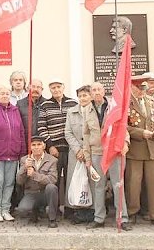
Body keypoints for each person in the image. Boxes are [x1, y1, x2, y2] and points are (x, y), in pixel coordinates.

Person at [83, 88, 131, 231]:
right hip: (97, 152)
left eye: (99, 89)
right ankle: (99, 218)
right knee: (98, 186)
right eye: (94, 90)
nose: (96, 92)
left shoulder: (113, 107)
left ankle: (122, 218)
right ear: (91, 93)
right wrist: (87, 157)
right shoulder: (87, 110)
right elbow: (85, 135)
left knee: (118, 185)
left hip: (114, 151)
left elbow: (123, 127)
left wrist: (126, 143)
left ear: (104, 92)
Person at [126, 76, 154, 227]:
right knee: (133, 183)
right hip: (135, 149)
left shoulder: (152, 101)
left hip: (153, 147)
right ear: (132, 87)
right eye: (139, 88)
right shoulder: (126, 103)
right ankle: (131, 213)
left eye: (144, 88)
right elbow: (123, 127)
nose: (142, 91)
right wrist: (140, 132)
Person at [0, 84, 26, 222]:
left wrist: (22, 153)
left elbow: (21, 132)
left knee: (9, 183)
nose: (5, 96)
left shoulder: (15, 110)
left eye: (7, 94)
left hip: (13, 154)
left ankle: (5, 210)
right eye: (2, 93)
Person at [37, 78, 78, 216]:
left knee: (70, 179)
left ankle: (70, 209)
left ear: (63, 87)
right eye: (53, 87)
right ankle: (54, 210)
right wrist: (50, 145)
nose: (56, 90)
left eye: (58, 87)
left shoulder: (73, 103)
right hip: (54, 150)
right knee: (54, 180)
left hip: (71, 149)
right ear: (50, 90)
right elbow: (41, 127)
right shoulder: (45, 105)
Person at [64, 85, 94, 224]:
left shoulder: (95, 111)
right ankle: (78, 211)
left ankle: (93, 211)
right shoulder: (71, 112)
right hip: (76, 154)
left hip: (93, 152)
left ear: (91, 96)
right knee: (76, 182)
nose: (82, 98)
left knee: (92, 182)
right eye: (80, 96)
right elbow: (68, 132)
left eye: (85, 95)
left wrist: (87, 150)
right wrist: (78, 149)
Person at [16, 135, 58, 228]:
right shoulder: (25, 160)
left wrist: (35, 175)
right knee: (23, 209)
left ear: (44, 146)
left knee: (52, 188)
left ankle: (52, 219)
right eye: (34, 145)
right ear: (30, 147)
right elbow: (19, 181)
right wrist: (24, 168)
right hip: (31, 193)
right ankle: (35, 212)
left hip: (45, 193)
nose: (36, 147)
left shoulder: (52, 160)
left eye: (39, 144)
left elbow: (53, 179)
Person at [16, 79, 46, 151]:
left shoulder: (47, 104)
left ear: (42, 89)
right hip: (26, 144)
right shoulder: (20, 104)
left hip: (43, 144)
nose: (35, 89)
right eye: (33, 86)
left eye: (38, 87)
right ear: (28, 88)